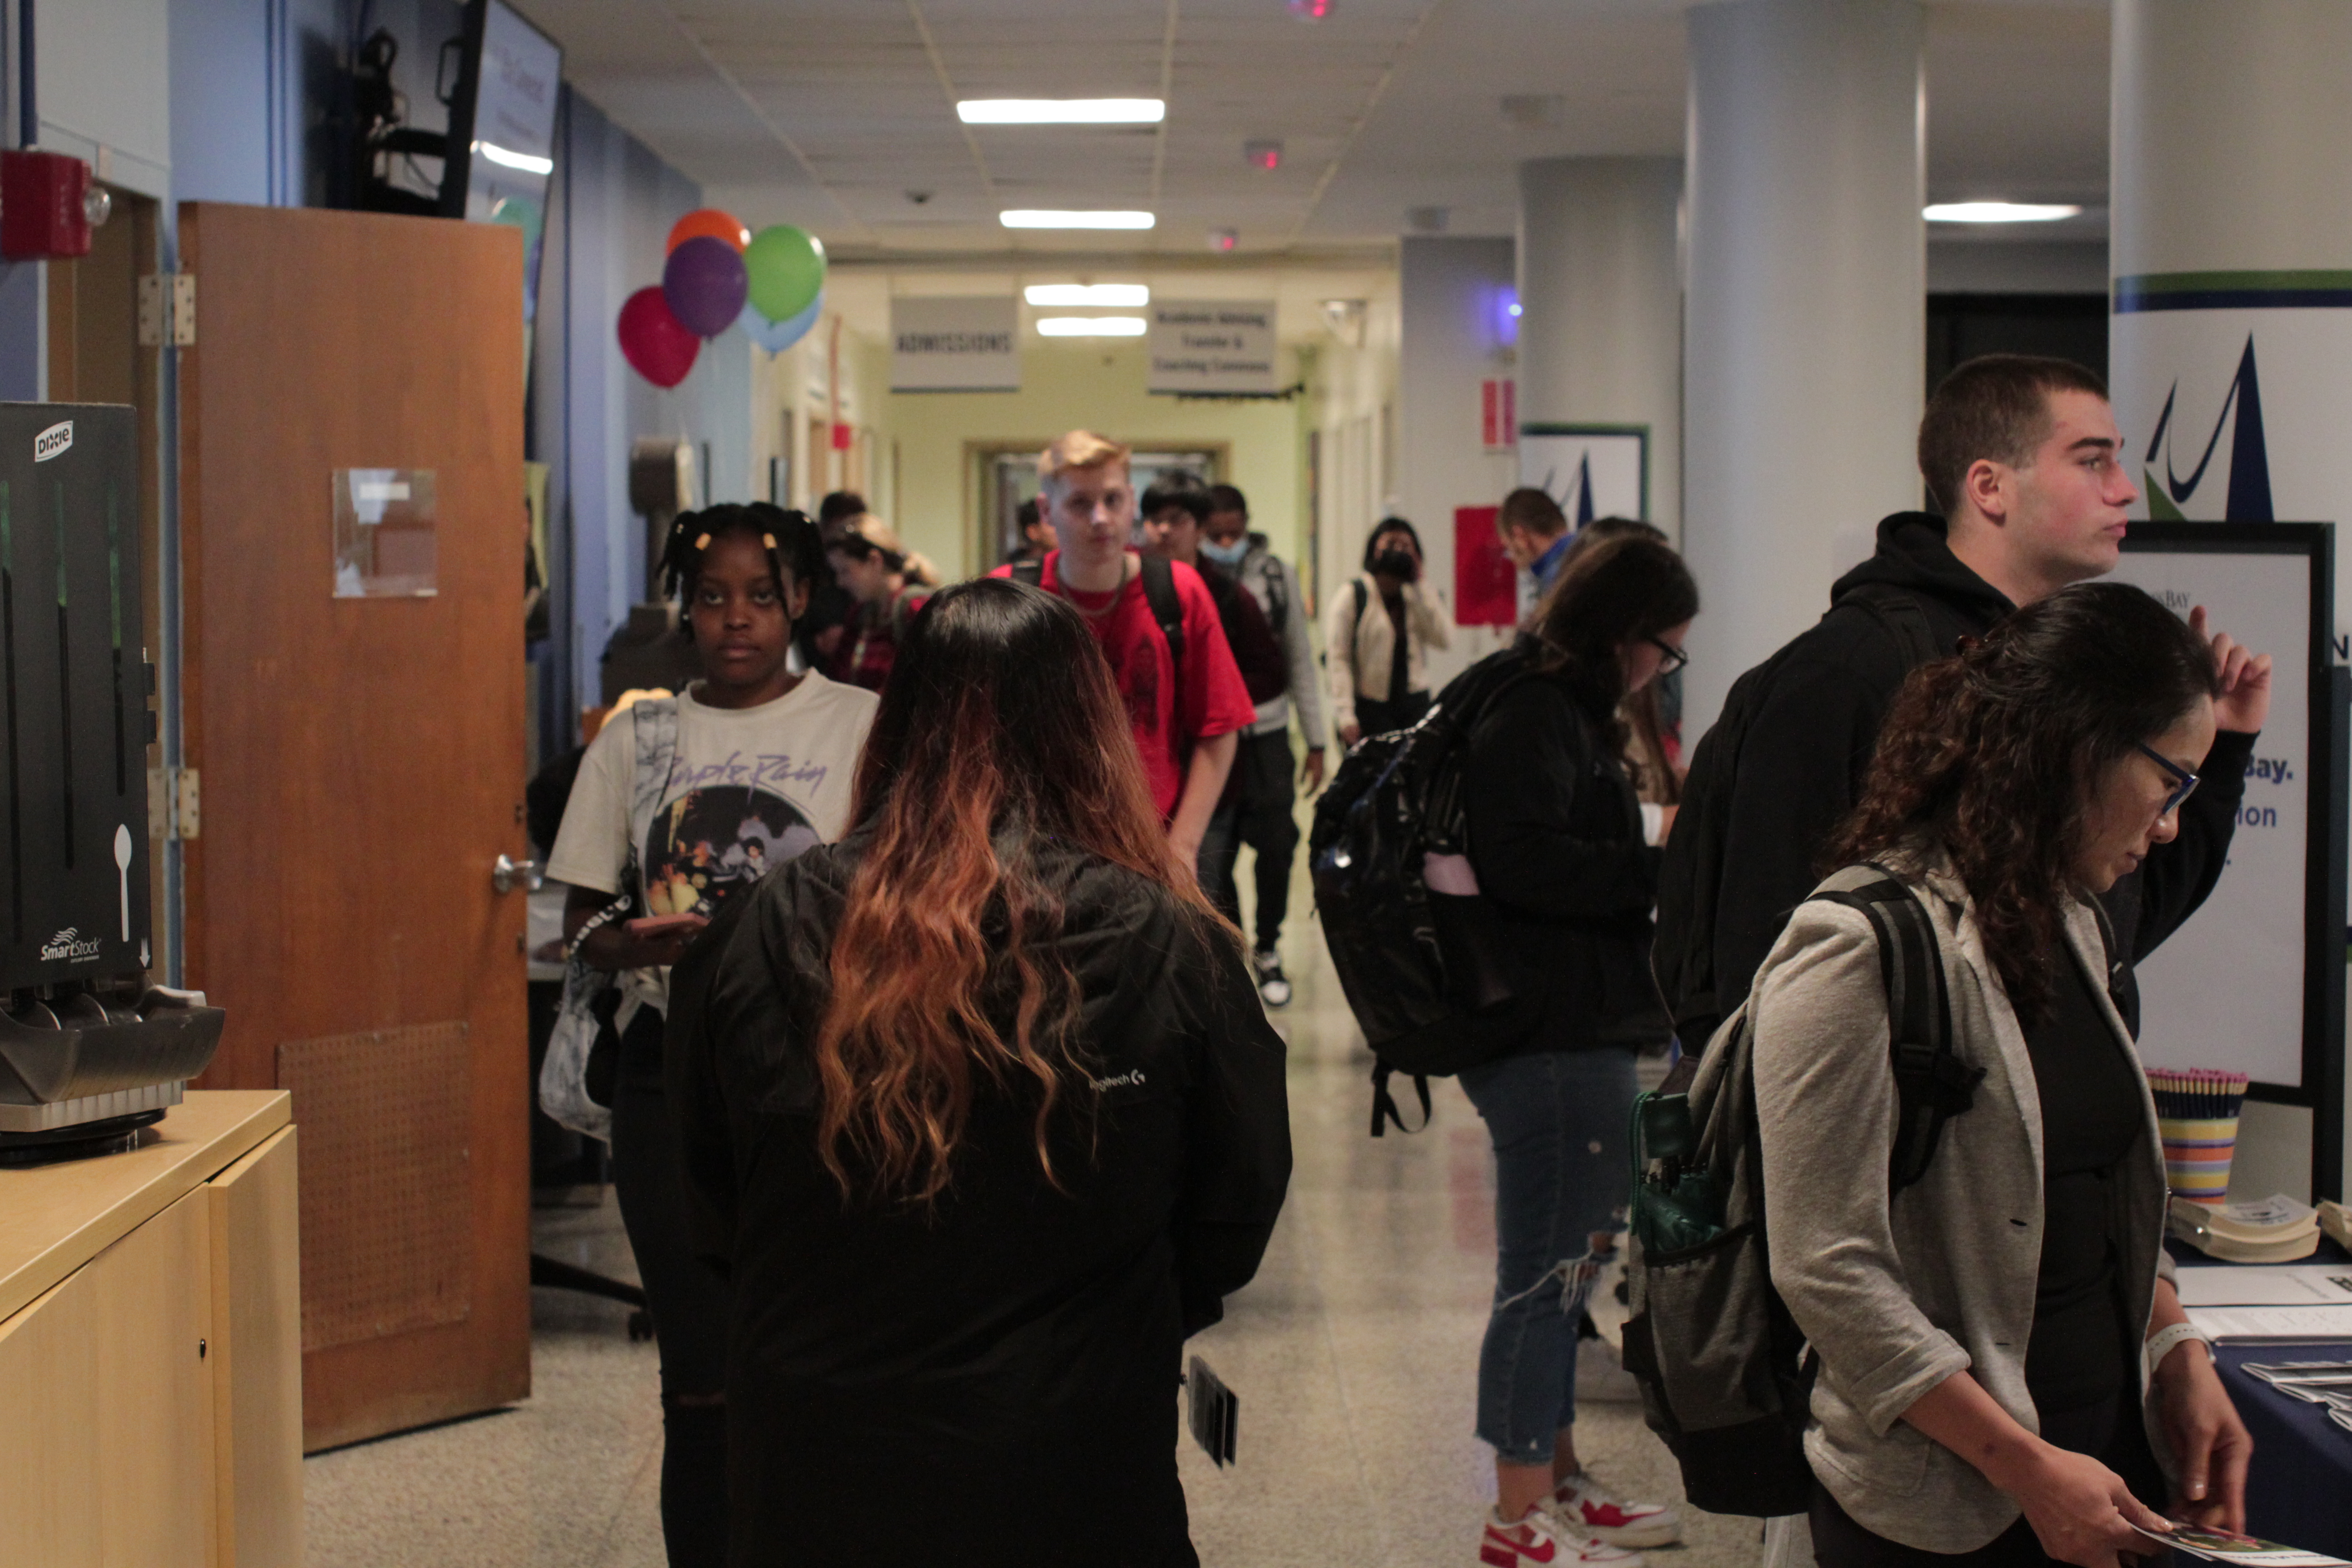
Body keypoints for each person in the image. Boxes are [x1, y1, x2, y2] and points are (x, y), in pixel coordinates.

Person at [664, 577, 1293, 1566]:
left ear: (899, 721)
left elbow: (707, 1194)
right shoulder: (1170, 946)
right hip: (1072, 1449)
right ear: (1090, 732)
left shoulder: (755, 929)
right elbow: (1236, 1202)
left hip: (815, 1452)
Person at [1751, 583, 2261, 1568]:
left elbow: (2107, 1188)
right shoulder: (1856, 946)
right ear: (2081, 747)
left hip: (2104, 1467)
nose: (2168, 826)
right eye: (2172, 783)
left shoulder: (2077, 923)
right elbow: (1828, 1269)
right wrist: (2028, 1468)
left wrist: (2175, 1349)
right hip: (1947, 1510)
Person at [1665, 354, 2269, 1050]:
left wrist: (2216, 760)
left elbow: (2106, 935)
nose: (2127, 490)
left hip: (2036, 1131)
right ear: (1989, 486)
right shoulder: (1853, 668)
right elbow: (1772, 953)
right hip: (1906, 1140)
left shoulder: (2061, 676)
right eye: (2092, 461)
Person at [544, 503, 878, 1568]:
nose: (735, 619)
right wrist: (634, 942)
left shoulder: (866, 725)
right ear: (685, 608)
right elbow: (578, 929)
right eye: (712, 597)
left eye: (759, 596)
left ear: (798, 602)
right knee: (700, 1373)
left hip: (831, 1075)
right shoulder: (639, 738)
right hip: (673, 1082)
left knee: (826, 1368)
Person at [1461, 536, 1695, 1568]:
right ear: (1620, 634)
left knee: (1567, 1269)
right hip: (1547, 1034)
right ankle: (1515, 1515)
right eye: (1662, 650)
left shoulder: (1545, 704)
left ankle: (1553, 1476)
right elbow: (1518, 857)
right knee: (1546, 1272)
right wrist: (1647, 862)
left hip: (1566, 1025)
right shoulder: (1535, 707)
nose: (1660, 671)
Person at [989, 431, 1257, 877]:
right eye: (1080, 503)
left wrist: (1183, 846)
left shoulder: (1178, 592)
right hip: (1035, 852)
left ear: (1132, 501)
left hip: (1151, 847)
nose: (1101, 519)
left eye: (1113, 500)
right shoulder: (1010, 595)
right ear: (1046, 511)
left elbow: (1219, 726)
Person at [1139, 474, 1289, 919]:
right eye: (1154, 520)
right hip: (1141, 768)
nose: (1164, 530)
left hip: (1209, 761)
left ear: (1198, 526)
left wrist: (1210, 691)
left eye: (1176, 519)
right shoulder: (1129, 584)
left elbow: (1273, 669)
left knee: (1202, 888)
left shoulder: (1226, 593)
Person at [1202, 482, 1327, 1006]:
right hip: (1210, 740)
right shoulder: (1189, 577)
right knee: (1216, 854)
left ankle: (1269, 947)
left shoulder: (1274, 575)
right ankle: (1231, 947)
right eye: (1216, 534)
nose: (1226, 542)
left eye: (1234, 532)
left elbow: (1299, 654)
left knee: (1278, 845)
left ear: (1248, 523)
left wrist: (1317, 740)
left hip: (1269, 734)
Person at [1326, 516, 1450, 746]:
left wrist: (1419, 580)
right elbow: (1338, 659)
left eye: (1406, 546)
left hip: (1414, 704)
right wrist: (1345, 715)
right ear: (1374, 548)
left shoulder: (1416, 595)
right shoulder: (1354, 594)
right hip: (1370, 707)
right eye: (1391, 544)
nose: (1398, 551)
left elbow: (1444, 638)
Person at [823, 514, 933, 693]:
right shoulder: (860, 614)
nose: (840, 582)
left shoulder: (918, 610)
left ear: (875, 561)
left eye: (845, 571)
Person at [1497, 486, 1573, 619]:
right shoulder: (1597, 550)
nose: (1511, 558)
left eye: (1507, 547)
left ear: (1520, 536)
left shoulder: (1556, 580)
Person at [1005, 495, 1057, 566]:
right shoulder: (1011, 574)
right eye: (1052, 523)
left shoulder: (1064, 570)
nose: (1059, 528)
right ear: (1033, 532)